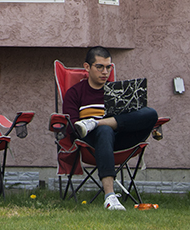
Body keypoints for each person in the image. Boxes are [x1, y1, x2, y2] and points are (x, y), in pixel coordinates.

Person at [60, 46, 158, 210]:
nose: (105, 72)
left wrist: (99, 122)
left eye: (108, 67)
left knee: (151, 113)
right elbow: (72, 129)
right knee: (105, 131)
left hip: (121, 138)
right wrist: (93, 129)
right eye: (99, 67)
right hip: (91, 143)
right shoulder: (75, 93)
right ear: (87, 67)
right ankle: (110, 197)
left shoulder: (118, 92)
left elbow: (132, 119)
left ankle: (97, 122)